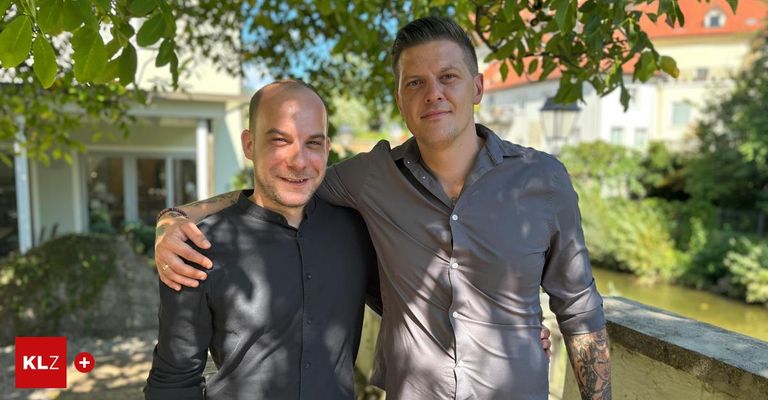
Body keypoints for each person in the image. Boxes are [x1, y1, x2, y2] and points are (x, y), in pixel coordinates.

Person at [155, 17, 606, 400]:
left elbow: (580, 309)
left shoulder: (543, 180)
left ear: (478, 87)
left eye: (448, 76)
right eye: (415, 82)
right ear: (400, 99)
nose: (433, 93)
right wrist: (175, 218)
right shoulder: (370, 178)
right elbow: (281, 186)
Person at [144, 80, 383, 399]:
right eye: (280, 140)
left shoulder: (358, 232)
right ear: (249, 144)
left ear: (327, 148)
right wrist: (170, 218)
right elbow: (173, 382)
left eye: (312, 143)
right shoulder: (197, 247)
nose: (298, 161)